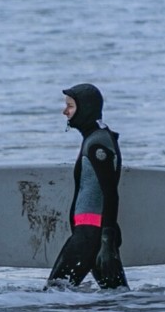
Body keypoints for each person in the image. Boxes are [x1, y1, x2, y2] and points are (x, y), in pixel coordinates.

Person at [48, 83, 128, 290]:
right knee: (118, 296)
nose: (65, 111)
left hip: (91, 235)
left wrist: (106, 243)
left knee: (54, 294)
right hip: (95, 234)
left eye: (70, 106)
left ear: (86, 108)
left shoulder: (97, 143)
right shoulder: (96, 137)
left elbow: (111, 194)